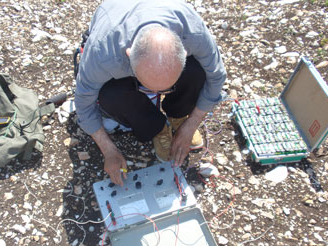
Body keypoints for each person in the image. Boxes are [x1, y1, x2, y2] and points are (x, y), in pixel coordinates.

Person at [75, 0, 227, 186]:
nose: (154, 94)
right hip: (115, 30)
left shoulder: (193, 33)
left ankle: (178, 118)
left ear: (184, 52)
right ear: (130, 56)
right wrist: (108, 150)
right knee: (110, 94)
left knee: (198, 72)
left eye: (166, 89)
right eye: (147, 89)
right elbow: (83, 104)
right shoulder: (103, 53)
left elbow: (217, 77)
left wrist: (190, 125)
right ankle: (156, 128)